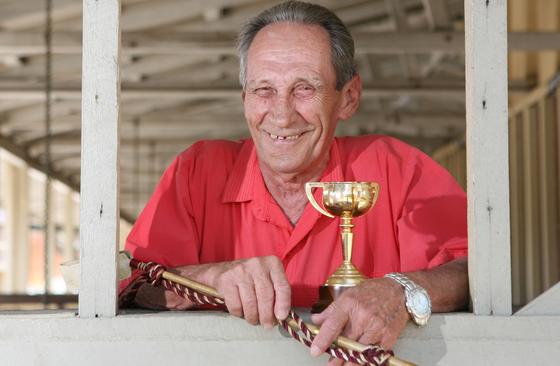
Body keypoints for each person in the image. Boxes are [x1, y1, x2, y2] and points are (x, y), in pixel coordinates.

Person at [119, 1, 469, 364]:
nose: (282, 116)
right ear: (245, 100)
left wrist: (401, 292)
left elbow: (471, 270)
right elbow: (132, 287)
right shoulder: (195, 172)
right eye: (264, 90)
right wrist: (209, 280)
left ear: (348, 98)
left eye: (304, 88)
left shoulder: (397, 168)